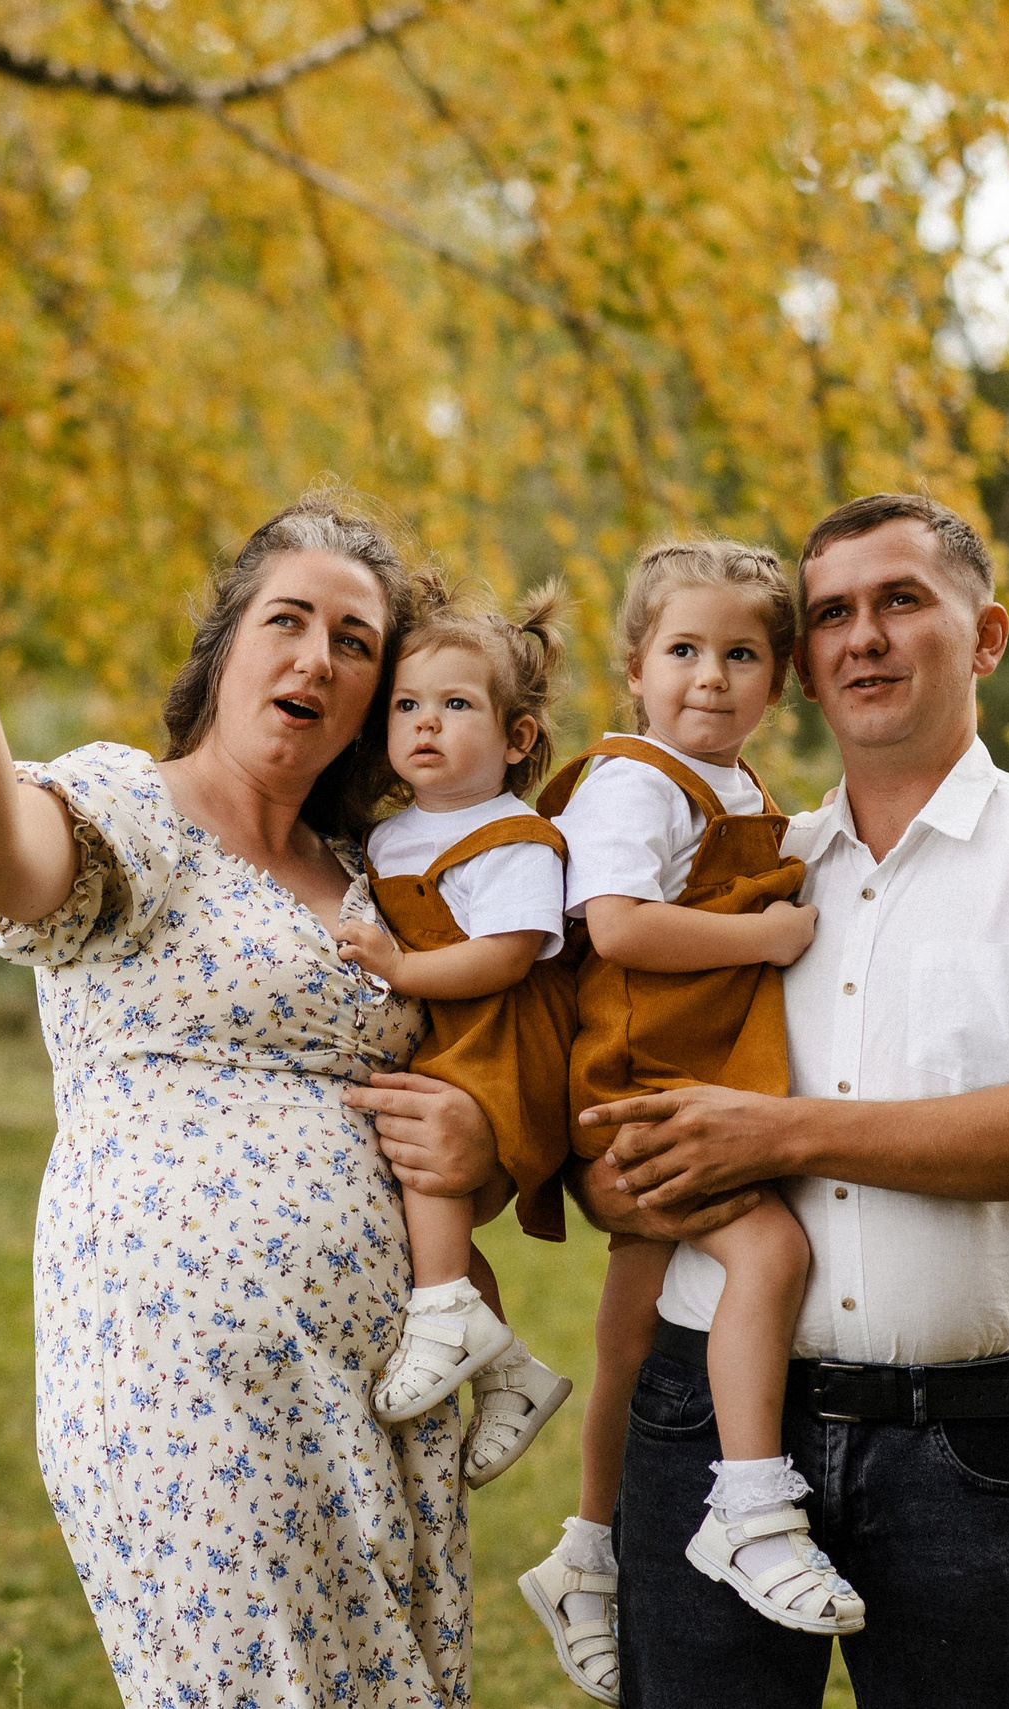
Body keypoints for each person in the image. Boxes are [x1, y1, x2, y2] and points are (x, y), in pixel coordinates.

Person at [0, 449, 610, 1706]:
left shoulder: (380, 876)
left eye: (354, 642)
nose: (315, 657)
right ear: (226, 651)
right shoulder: (135, 813)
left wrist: (479, 1140)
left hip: (385, 1400)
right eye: (284, 621)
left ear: (371, 705)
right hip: (184, 1385)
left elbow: (505, 1056)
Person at [575, 494, 1009, 1708]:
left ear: (987, 636)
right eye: (833, 613)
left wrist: (780, 1132)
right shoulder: (745, 874)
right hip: (704, 1421)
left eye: (901, 600)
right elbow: (610, 1104)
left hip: (966, 1443)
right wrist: (613, 1169)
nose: (862, 636)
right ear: (802, 664)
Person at [516, 541, 855, 1707]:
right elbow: (616, 924)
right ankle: (751, 1503)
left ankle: (587, 1545)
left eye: (740, 654)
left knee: (631, 1333)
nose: (709, 677)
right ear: (637, 665)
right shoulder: (635, 784)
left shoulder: (743, 792)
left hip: (689, 1078)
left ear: (780, 679)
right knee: (770, 1249)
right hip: (643, 1087)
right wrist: (763, 938)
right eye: (683, 650)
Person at [327, 582, 579, 1485]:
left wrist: (396, 967)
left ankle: (444, 1309)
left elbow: (504, 958)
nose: (425, 725)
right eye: (406, 706)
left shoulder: (511, 835)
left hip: (503, 1038)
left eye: (456, 705)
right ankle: (508, 1368)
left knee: (429, 1151)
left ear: (516, 738)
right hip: (453, 1035)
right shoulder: (392, 833)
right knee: (408, 1202)